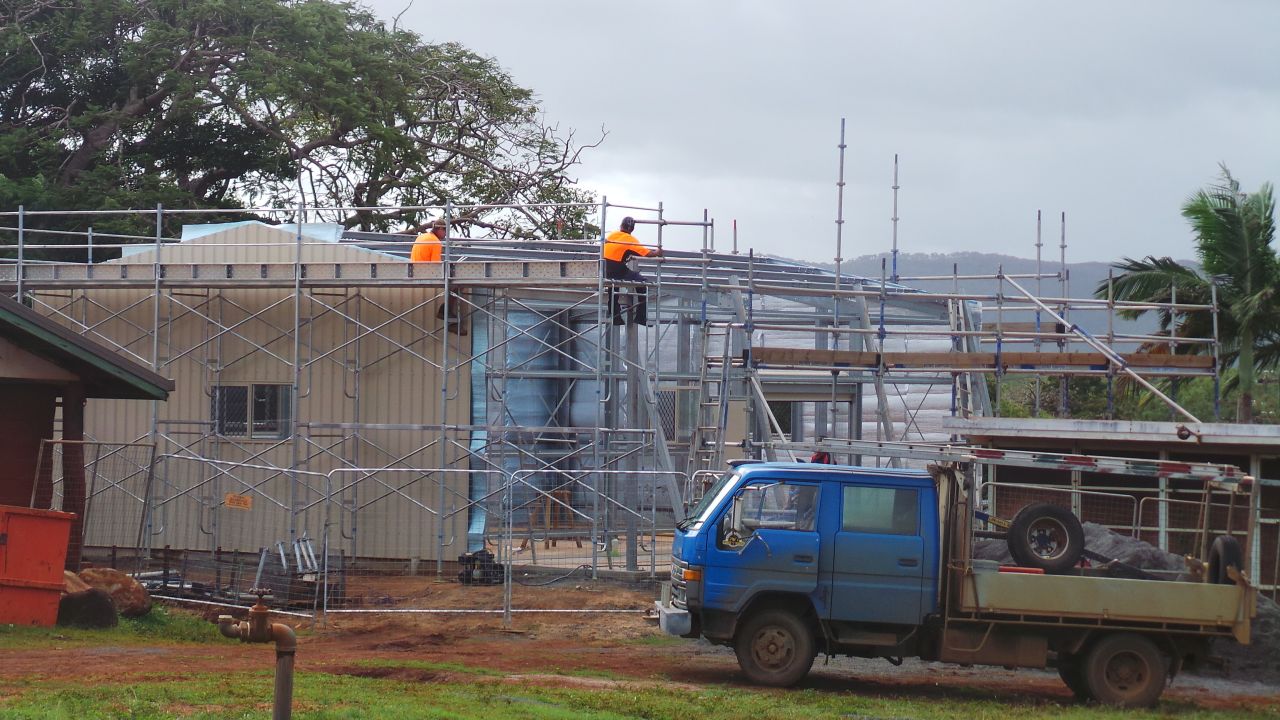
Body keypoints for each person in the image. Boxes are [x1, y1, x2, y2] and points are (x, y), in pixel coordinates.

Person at [603, 216, 662, 325]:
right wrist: (658, 252)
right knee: (642, 282)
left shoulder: (612, 235)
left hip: (604, 268)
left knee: (613, 286)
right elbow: (647, 253)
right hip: (617, 269)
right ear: (632, 229)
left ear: (621, 226)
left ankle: (615, 317)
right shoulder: (630, 240)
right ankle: (641, 317)